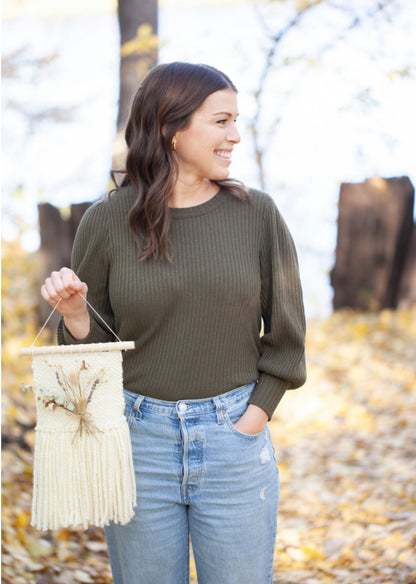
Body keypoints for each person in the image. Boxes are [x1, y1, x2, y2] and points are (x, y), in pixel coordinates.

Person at [41, 61, 306, 584]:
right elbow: (90, 359)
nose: (234, 135)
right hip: (138, 445)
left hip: (233, 439)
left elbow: (287, 339)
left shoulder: (257, 215)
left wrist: (253, 419)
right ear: (172, 128)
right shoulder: (108, 221)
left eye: (235, 121)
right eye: (221, 121)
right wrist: (73, 314)